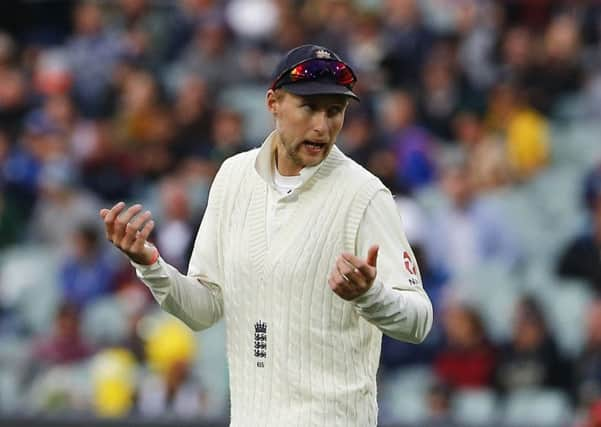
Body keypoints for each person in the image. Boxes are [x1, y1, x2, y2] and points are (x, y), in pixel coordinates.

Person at [100, 44, 433, 426]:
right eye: (309, 108)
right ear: (273, 103)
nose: (322, 126)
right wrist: (150, 264)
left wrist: (370, 296)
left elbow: (418, 321)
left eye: (334, 111)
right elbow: (204, 309)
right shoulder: (233, 178)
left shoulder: (365, 195)